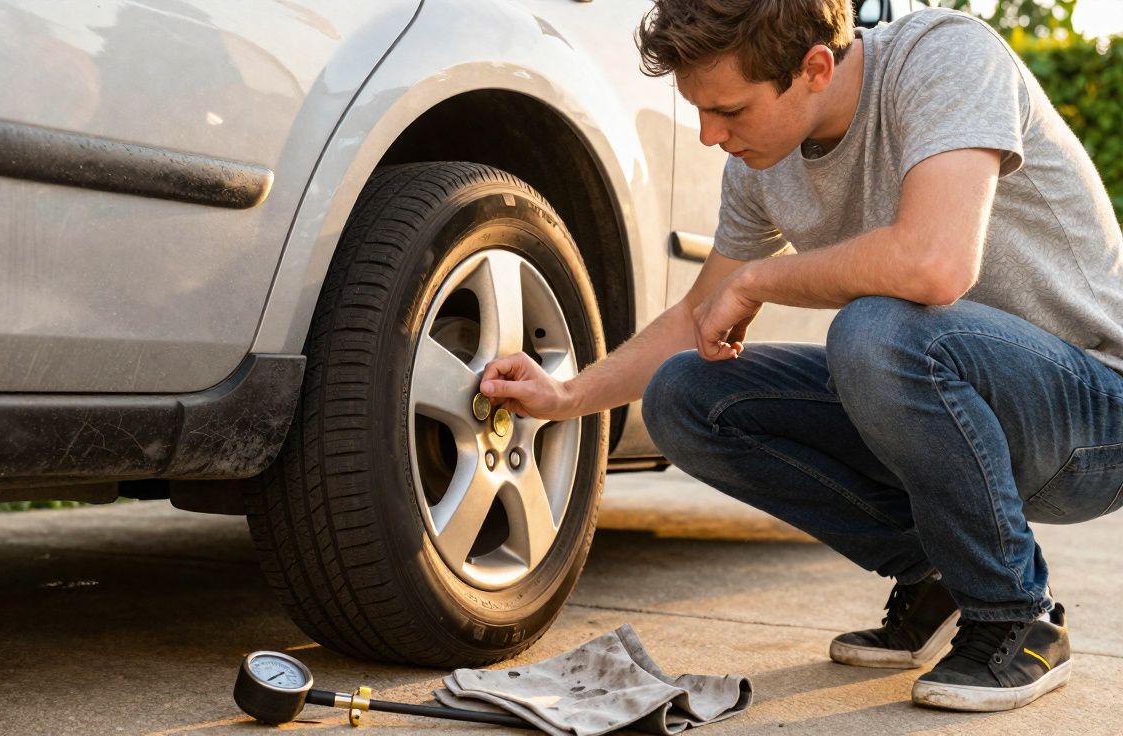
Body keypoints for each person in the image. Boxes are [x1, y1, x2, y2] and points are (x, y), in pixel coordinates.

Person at [479, 0, 1123, 713]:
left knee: (874, 331)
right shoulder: (761, 162)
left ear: (815, 67)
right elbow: (699, 314)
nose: (707, 135)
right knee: (685, 395)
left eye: (729, 111)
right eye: (698, 110)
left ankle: (1016, 615)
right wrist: (566, 396)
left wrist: (759, 279)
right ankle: (942, 571)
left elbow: (936, 264)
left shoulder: (944, 55)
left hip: (1093, 414)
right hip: (960, 401)